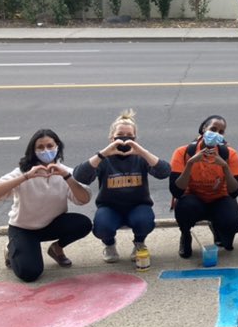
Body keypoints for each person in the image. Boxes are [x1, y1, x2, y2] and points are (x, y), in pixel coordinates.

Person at [0, 129, 93, 282]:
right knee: (30, 273)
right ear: (33, 151)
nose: (46, 150)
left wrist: (67, 177)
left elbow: (83, 199)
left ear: (57, 147)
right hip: (24, 228)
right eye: (40, 147)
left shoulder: (65, 171)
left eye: (50, 146)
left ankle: (57, 248)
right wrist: (26, 177)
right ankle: (11, 248)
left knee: (83, 223)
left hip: (52, 224)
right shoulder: (22, 171)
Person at [73, 109, 171, 265]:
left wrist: (141, 151)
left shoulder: (141, 157)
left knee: (144, 221)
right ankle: (109, 244)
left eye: (129, 136)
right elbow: (79, 176)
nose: (124, 140)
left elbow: (164, 172)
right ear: (112, 138)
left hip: (138, 205)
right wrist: (104, 153)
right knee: (102, 226)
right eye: (120, 136)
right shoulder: (104, 159)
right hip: (110, 207)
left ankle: (139, 242)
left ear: (135, 138)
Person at [170, 115, 238, 258]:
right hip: (194, 200)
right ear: (204, 129)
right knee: (185, 207)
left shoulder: (229, 154)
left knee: (234, 222)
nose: (216, 134)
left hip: (219, 199)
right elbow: (176, 191)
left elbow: (234, 192)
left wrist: (224, 166)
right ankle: (185, 235)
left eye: (221, 132)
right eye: (213, 129)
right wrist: (190, 163)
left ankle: (218, 228)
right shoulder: (183, 152)